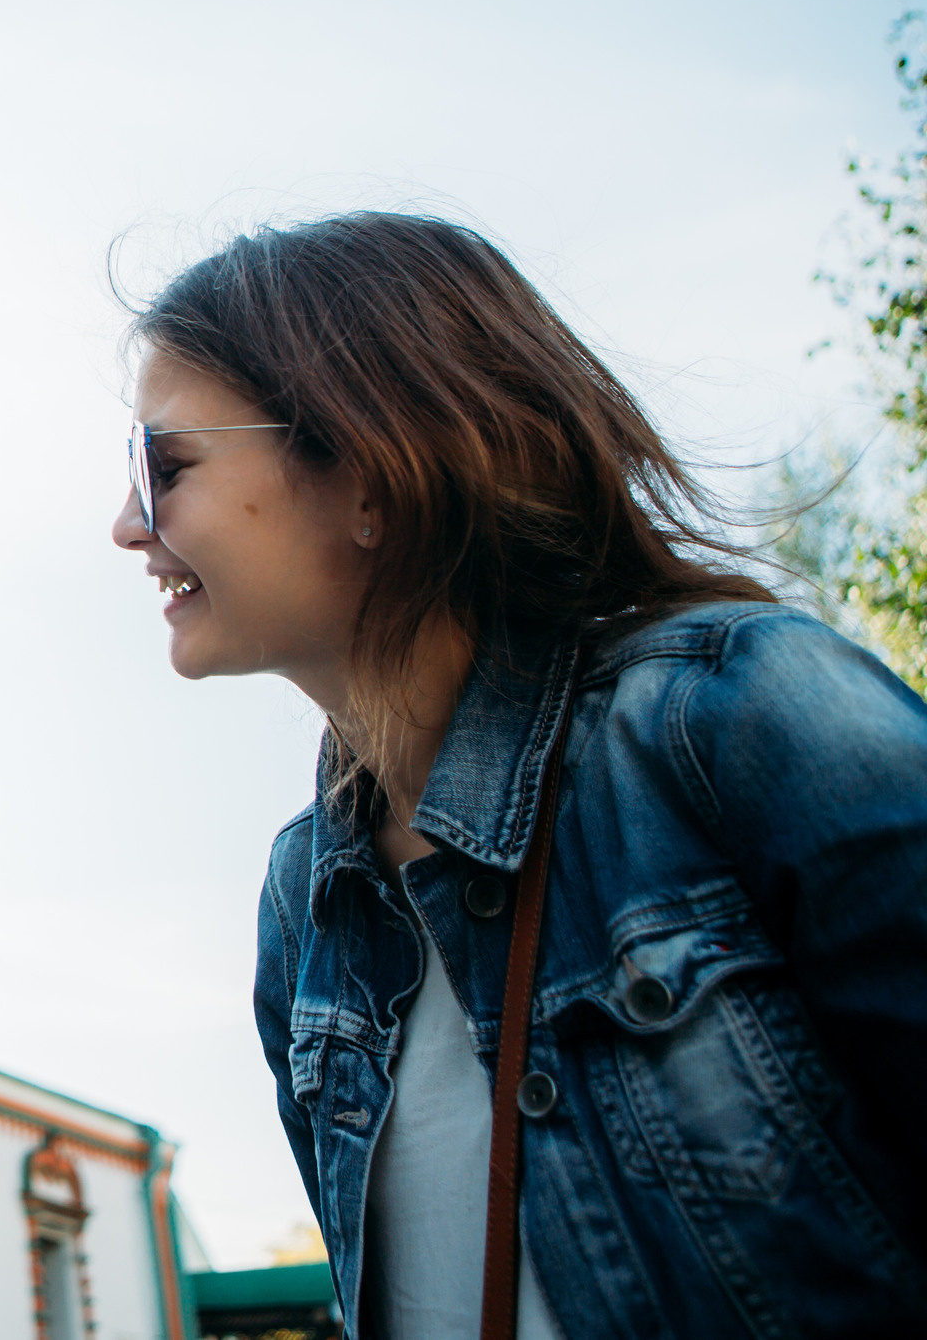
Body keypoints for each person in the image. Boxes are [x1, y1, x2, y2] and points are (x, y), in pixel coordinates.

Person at [109, 214, 927, 1338]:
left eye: (163, 465)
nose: (124, 526)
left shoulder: (738, 717)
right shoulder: (304, 902)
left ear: (368, 470)